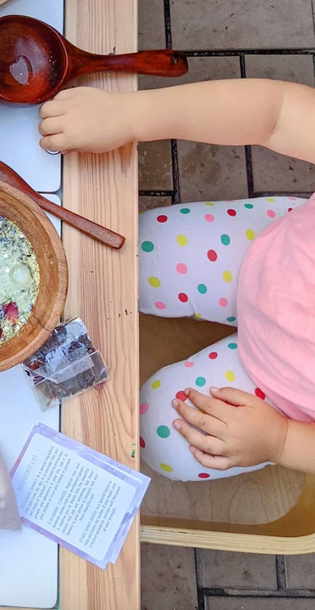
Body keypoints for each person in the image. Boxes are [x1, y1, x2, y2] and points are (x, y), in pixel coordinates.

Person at [38, 79, 315, 480]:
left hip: (284, 387)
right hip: (274, 259)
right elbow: (277, 113)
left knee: (159, 434)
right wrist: (129, 115)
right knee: (138, 249)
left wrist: (282, 441)